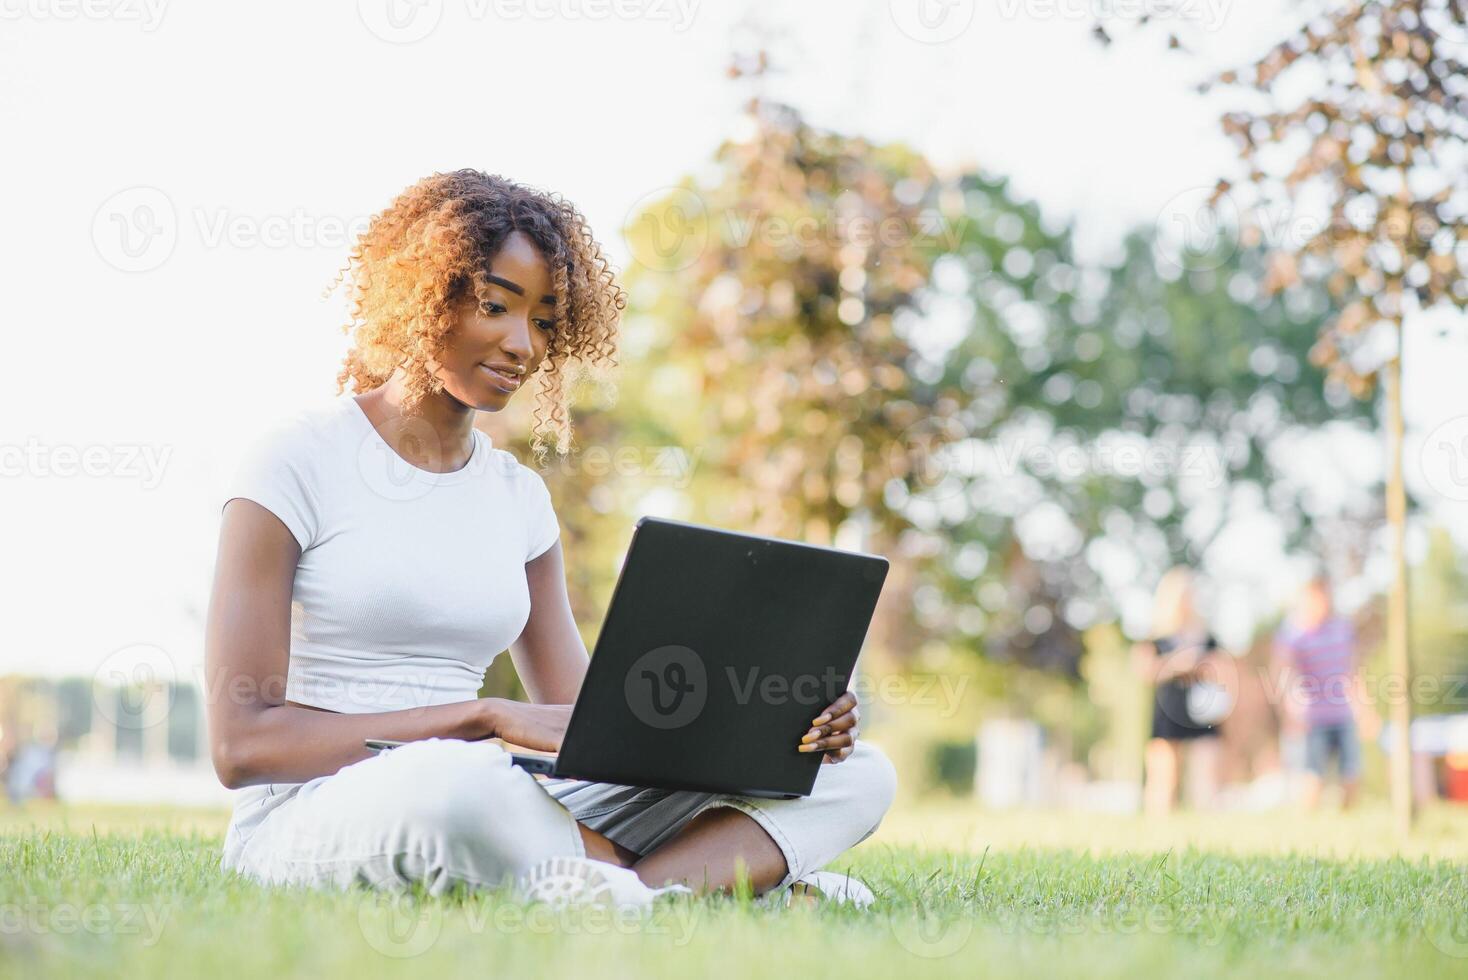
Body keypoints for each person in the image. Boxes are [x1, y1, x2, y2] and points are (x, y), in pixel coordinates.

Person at [205, 170, 896, 909]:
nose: (521, 344)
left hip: (492, 789)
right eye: (496, 306)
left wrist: (776, 726)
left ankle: (632, 899)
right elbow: (243, 746)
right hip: (325, 810)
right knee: (456, 782)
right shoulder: (296, 461)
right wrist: (483, 718)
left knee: (861, 774)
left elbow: (591, 733)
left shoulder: (517, 498)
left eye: (543, 320)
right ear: (422, 292)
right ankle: (726, 884)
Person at [1132, 567, 1226, 816]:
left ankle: (1207, 830)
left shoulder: (1206, 637)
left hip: (1201, 710)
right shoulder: (1156, 638)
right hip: (1168, 709)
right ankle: (1158, 827)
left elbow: (1224, 669)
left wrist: (1201, 666)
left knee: (1205, 773)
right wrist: (1176, 665)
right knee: (1164, 774)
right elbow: (1144, 671)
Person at [1272, 576, 1366, 810]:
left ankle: (1347, 821)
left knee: (1352, 772)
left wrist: (1363, 708)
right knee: (1313, 777)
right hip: (1311, 717)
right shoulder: (1292, 634)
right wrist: (1292, 711)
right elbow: (1284, 673)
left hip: (1342, 713)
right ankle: (1307, 826)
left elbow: (1352, 671)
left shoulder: (1342, 630)